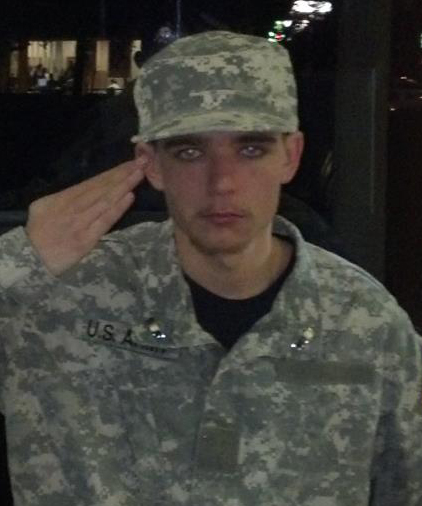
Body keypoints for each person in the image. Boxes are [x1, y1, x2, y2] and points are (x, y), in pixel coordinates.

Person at [0, 31, 421, 506]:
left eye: (250, 149)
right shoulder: (61, 300)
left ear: (291, 156)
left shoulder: (365, 324)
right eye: (190, 152)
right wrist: (18, 259)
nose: (222, 182)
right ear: (150, 165)